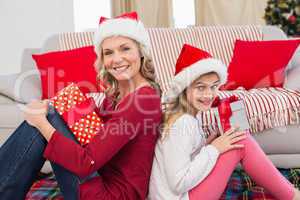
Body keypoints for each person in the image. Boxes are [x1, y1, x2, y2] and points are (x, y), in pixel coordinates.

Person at [0, 11, 162, 200]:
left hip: (113, 195)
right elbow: (98, 137)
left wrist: (42, 123)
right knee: (50, 111)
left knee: (46, 119)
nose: (116, 59)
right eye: (108, 52)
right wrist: (60, 107)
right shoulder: (118, 93)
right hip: (102, 176)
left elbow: (87, 162)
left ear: (141, 52)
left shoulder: (142, 99)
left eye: (125, 49)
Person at [148, 44, 300, 200]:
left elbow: (184, 157)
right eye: (200, 87)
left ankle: (289, 192)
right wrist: (214, 149)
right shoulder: (182, 123)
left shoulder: (189, 115)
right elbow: (178, 183)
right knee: (242, 140)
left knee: (237, 137)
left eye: (214, 87)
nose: (209, 94)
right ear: (184, 88)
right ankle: (292, 195)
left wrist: (207, 144)